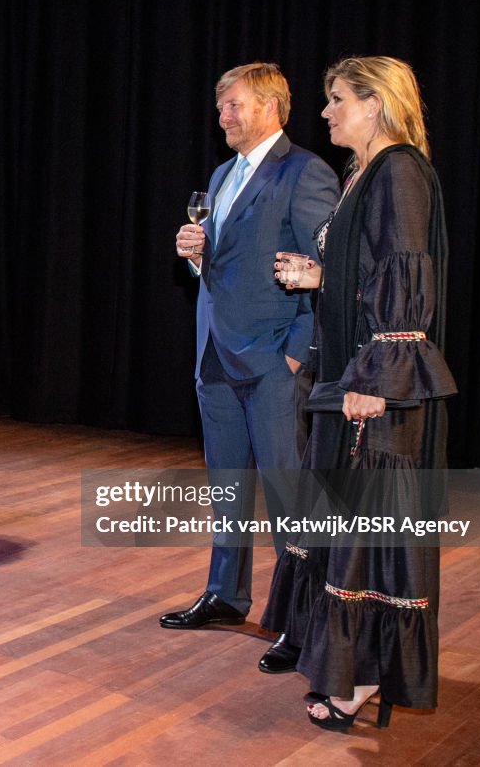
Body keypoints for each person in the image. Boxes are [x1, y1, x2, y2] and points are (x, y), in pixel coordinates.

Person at [262, 56, 456, 730]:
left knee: (372, 532)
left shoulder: (400, 169)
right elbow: (372, 271)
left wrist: (379, 381)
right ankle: (340, 660)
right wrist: (322, 277)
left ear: (374, 104)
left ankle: (366, 678)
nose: (326, 112)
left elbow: (408, 280)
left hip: (376, 384)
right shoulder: (363, 173)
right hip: (351, 373)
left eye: (337, 99)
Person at [162, 63, 339, 635]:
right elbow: (225, 265)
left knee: (289, 491)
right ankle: (225, 594)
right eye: (221, 107)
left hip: (273, 362)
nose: (223, 116)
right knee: (227, 484)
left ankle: (299, 612)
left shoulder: (305, 173)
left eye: (234, 105)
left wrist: (297, 352)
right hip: (214, 354)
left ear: (271, 106)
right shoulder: (219, 176)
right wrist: (196, 255)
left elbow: (325, 270)